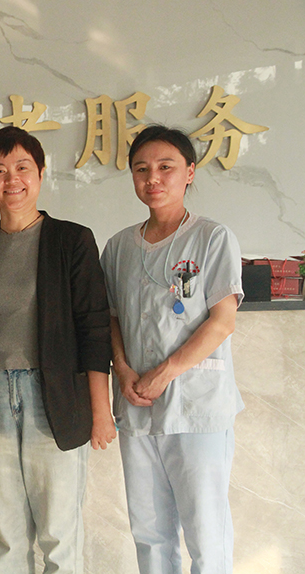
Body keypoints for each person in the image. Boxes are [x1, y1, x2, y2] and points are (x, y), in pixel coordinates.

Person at [0, 126, 114, 574]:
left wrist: (100, 410)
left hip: (56, 400)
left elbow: (94, 328)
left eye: (22, 167)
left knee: (59, 536)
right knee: (4, 538)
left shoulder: (72, 240)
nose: (12, 179)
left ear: (42, 173)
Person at [101, 125, 243, 574]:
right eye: (141, 169)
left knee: (205, 529)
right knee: (149, 531)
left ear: (190, 173)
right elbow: (112, 318)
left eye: (166, 167)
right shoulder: (118, 247)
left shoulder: (212, 238)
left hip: (196, 407)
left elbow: (222, 321)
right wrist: (122, 369)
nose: (153, 178)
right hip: (137, 407)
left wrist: (164, 373)